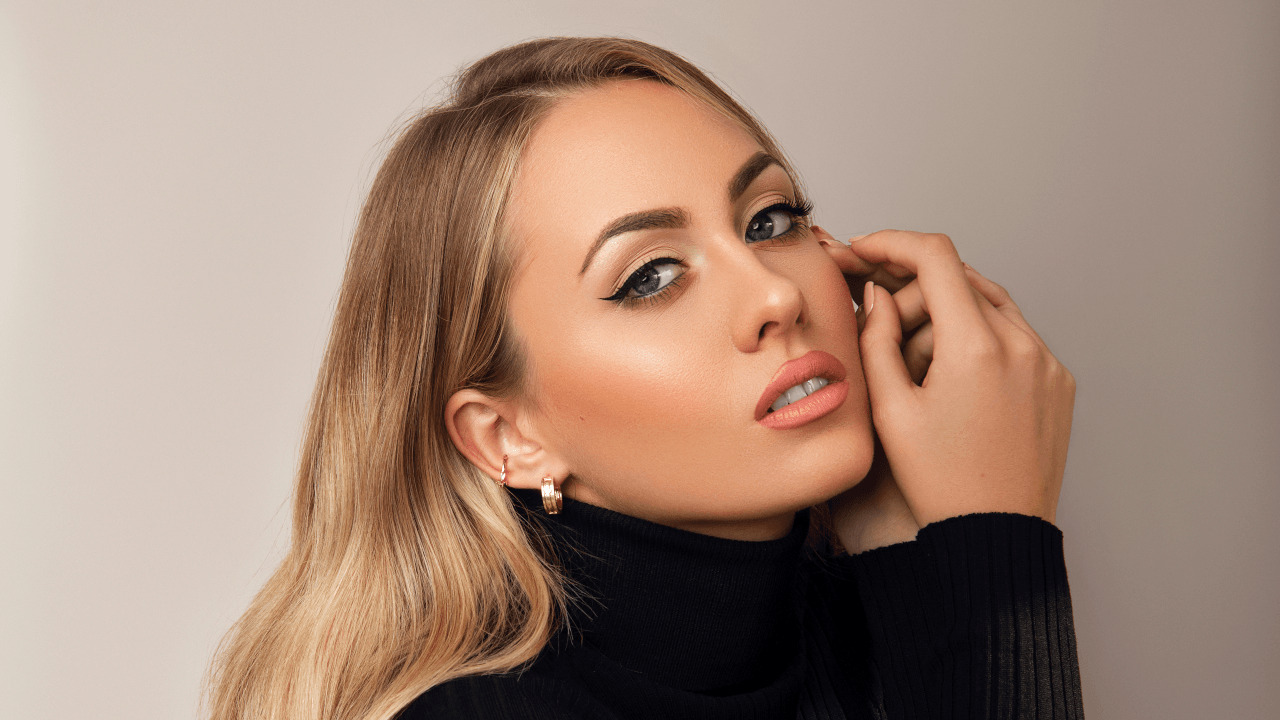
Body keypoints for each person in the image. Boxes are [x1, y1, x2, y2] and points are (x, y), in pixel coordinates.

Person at [202, 36, 1082, 720]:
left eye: (770, 220)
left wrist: (911, 560)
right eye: (651, 276)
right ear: (508, 436)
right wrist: (996, 543)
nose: (775, 295)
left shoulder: (865, 624)